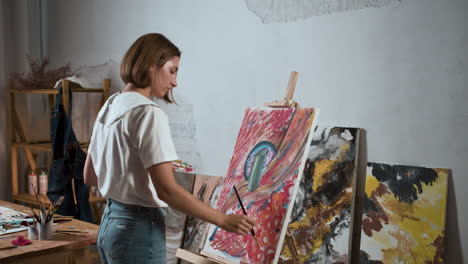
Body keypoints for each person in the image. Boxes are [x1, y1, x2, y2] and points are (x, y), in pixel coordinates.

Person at [84, 33, 255, 264]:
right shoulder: (148, 113)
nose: (175, 82)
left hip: (110, 224)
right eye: (172, 70)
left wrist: (136, 170)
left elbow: (90, 176)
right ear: (151, 65)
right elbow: (167, 191)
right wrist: (223, 220)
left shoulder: (112, 103)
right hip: (138, 230)